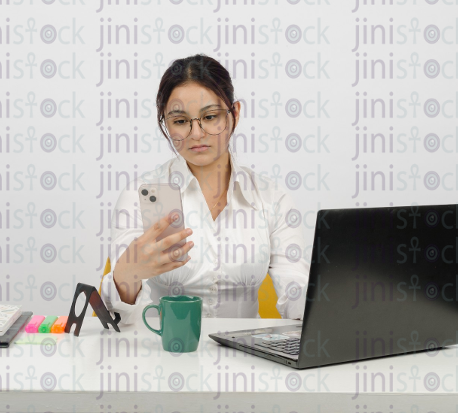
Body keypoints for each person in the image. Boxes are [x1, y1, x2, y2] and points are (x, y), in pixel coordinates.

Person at [100, 54, 310, 326]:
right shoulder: (140, 194)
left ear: (234, 114)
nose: (196, 134)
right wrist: (128, 274)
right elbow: (119, 318)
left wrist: (327, 301)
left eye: (210, 117)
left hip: (245, 358)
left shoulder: (272, 198)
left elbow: (297, 290)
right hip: (164, 354)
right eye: (180, 121)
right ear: (166, 123)